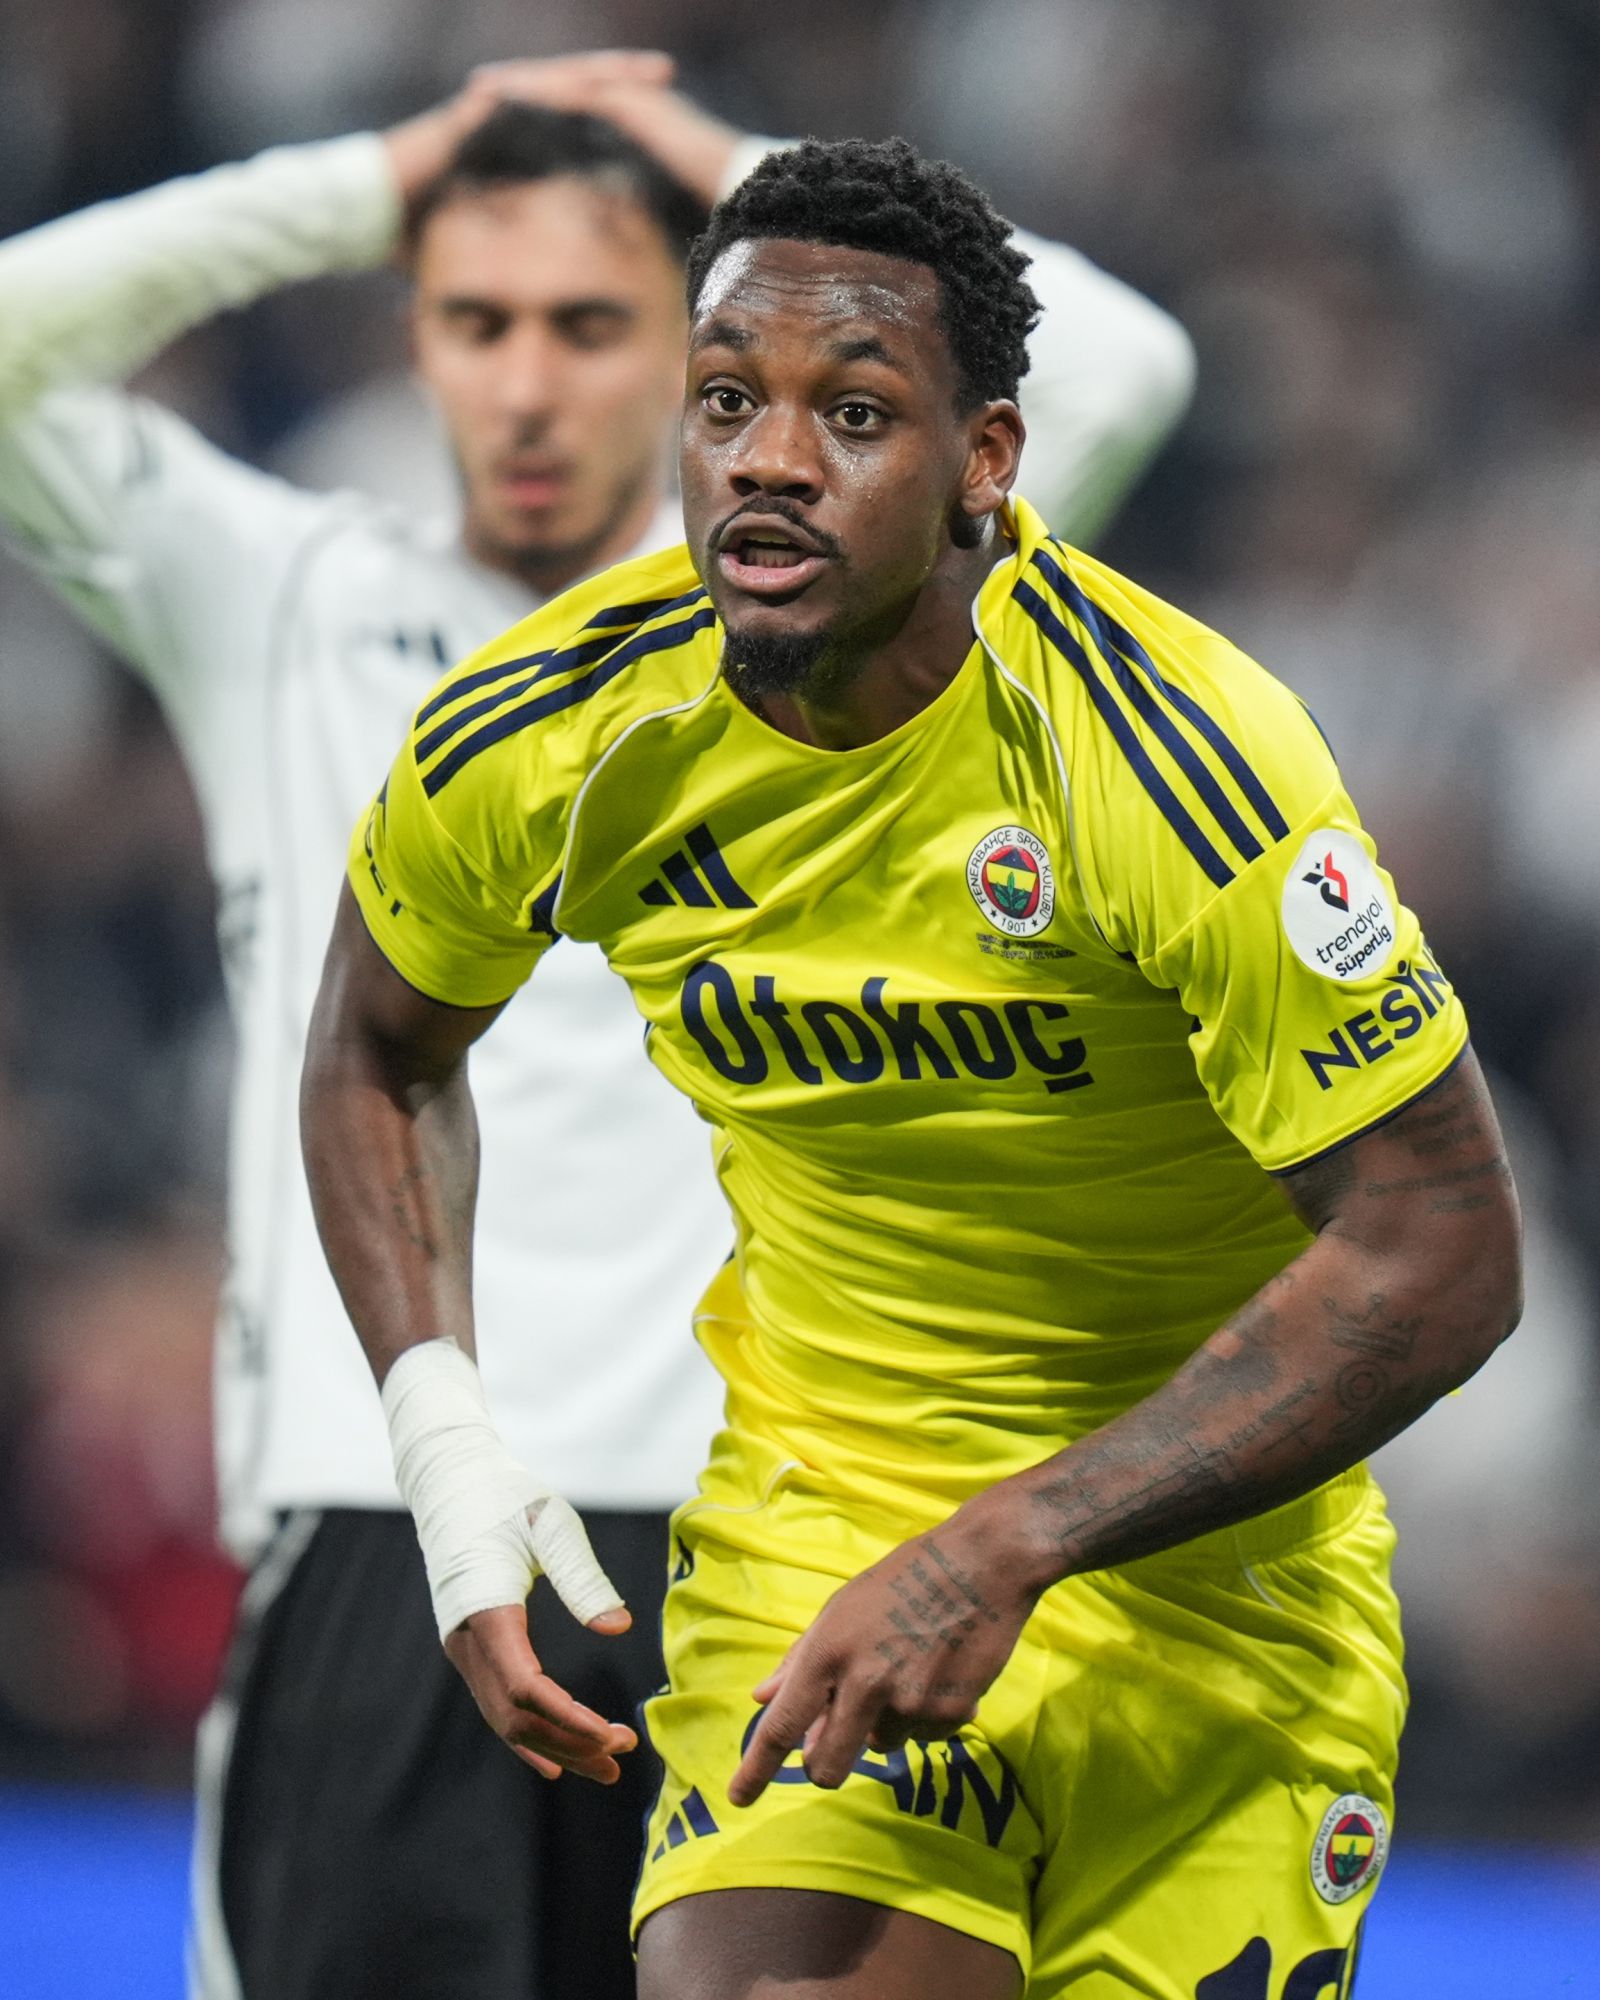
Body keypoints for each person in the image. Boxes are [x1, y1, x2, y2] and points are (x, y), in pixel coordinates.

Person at [0, 59, 1197, 2000]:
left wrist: (734, 187)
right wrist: (380, 176)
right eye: (476, 322)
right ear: (414, 339)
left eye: (592, 324)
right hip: (391, 1501)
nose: (530, 385)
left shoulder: (820, 625)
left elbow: (1126, 364)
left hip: (767, 1524)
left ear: (695, 366)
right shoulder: (281, 596)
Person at [302, 137, 1523, 1999]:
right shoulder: (551, 735)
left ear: (986, 460)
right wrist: (443, 1445)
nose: (769, 462)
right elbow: (374, 1051)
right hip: (827, 1545)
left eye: (854, 413)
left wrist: (1011, 1545)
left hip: (1220, 1607)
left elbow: (1445, 1248)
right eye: (728, 401)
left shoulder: (1172, 761)